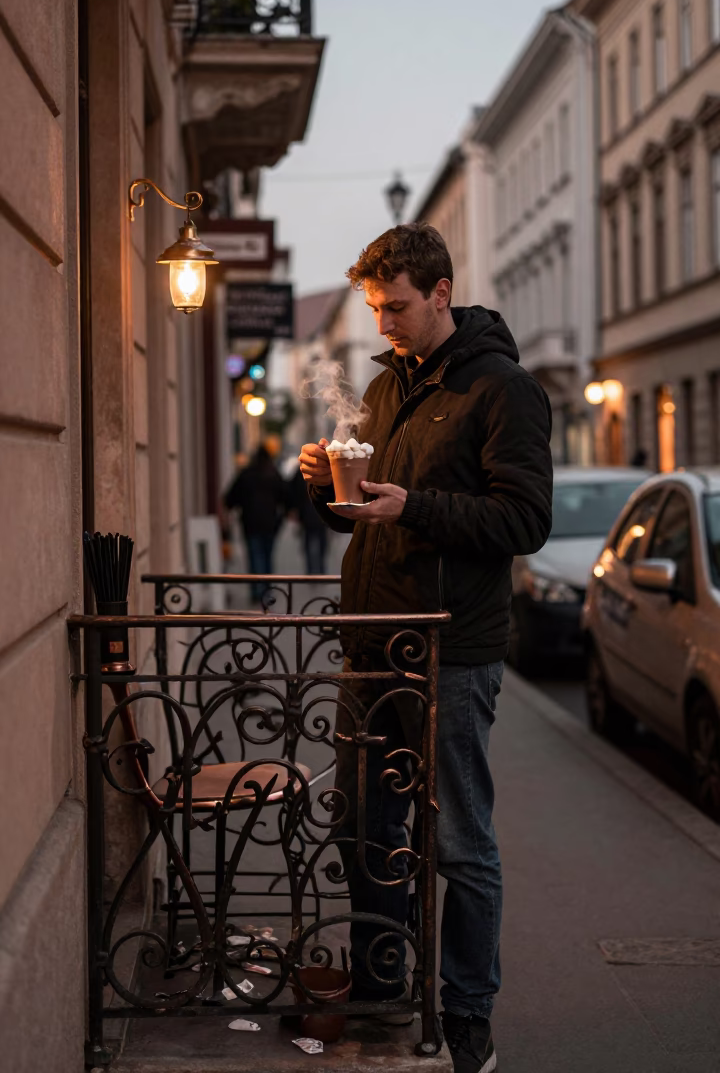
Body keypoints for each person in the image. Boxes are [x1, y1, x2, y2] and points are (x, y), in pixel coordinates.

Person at [299, 224, 553, 1073]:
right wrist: (325, 486)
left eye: (396, 306)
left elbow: (525, 520)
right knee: (362, 827)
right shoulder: (385, 388)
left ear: (441, 293)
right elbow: (364, 513)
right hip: (369, 642)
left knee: (459, 843)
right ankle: (381, 985)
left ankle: (468, 1011)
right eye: (374, 307)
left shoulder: (503, 388)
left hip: (450, 650)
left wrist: (413, 505)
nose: (383, 324)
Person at [223, 439, 287, 601]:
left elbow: (230, 498)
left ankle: (256, 591)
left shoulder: (246, 474)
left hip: (250, 523)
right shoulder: (273, 474)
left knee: (254, 557)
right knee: (267, 557)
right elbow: (286, 498)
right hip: (270, 524)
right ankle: (266, 590)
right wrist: (281, 518)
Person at [288, 465, 329, 574]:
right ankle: (320, 570)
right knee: (321, 544)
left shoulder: (301, 471)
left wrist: (295, 509)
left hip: (307, 515)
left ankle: (311, 571)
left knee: (309, 543)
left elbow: (293, 491)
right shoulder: (324, 469)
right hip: (322, 514)